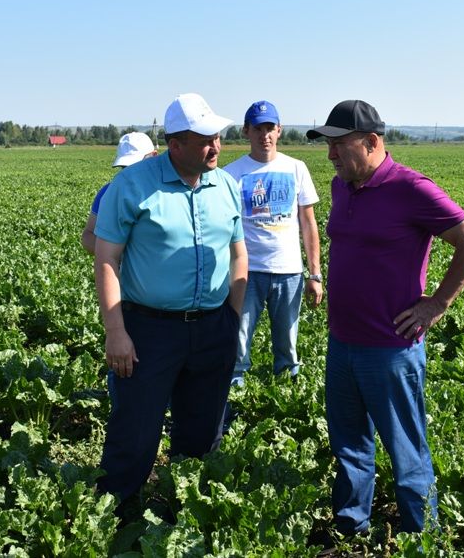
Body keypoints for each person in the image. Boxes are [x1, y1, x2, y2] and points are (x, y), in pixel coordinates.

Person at [306, 100, 464, 535]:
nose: (331, 155)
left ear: (371, 142)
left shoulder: (411, 188)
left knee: (407, 451)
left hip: (390, 348)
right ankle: (352, 528)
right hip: (342, 341)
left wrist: (437, 303)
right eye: (327, 146)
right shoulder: (341, 185)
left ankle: (421, 537)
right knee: (349, 446)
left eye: (338, 145)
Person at [93, 92, 247, 504]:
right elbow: (106, 258)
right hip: (149, 330)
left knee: (202, 429)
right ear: (175, 144)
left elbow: (238, 254)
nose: (215, 146)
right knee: (136, 430)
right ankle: (115, 517)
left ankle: (186, 510)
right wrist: (116, 331)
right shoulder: (131, 185)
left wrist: (232, 318)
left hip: (214, 327)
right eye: (204, 140)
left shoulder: (227, 185)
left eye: (217, 137)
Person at [223, 100, 322, 387]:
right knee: (239, 337)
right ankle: (236, 388)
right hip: (246, 271)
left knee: (287, 341)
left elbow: (308, 223)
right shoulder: (232, 174)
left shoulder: (296, 168)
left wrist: (314, 274)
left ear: (279, 131)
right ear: (246, 131)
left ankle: (287, 387)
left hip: (288, 270)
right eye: (258, 128)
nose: (264, 135)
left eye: (270, 128)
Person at [81, 131, 157, 254]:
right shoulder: (108, 192)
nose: (129, 173)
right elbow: (88, 236)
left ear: (154, 156)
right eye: (124, 167)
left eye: (135, 166)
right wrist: (116, 255)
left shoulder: (168, 192)